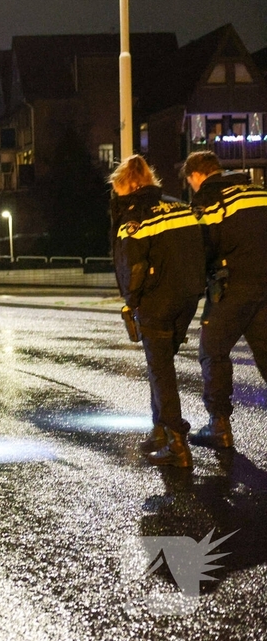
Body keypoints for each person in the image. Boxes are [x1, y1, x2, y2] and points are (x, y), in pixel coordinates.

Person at [110, 155, 204, 468]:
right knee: (159, 365)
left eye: (118, 190)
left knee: (161, 371)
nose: (117, 196)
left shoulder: (135, 216)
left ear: (128, 185)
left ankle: (176, 442)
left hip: (157, 300)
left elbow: (133, 265)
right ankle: (160, 432)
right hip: (188, 297)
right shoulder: (178, 205)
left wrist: (131, 300)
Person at [185, 150, 267, 450]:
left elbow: (202, 249)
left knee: (212, 351)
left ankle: (219, 426)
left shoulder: (209, 200)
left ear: (196, 175)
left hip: (234, 288)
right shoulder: (258, 192)